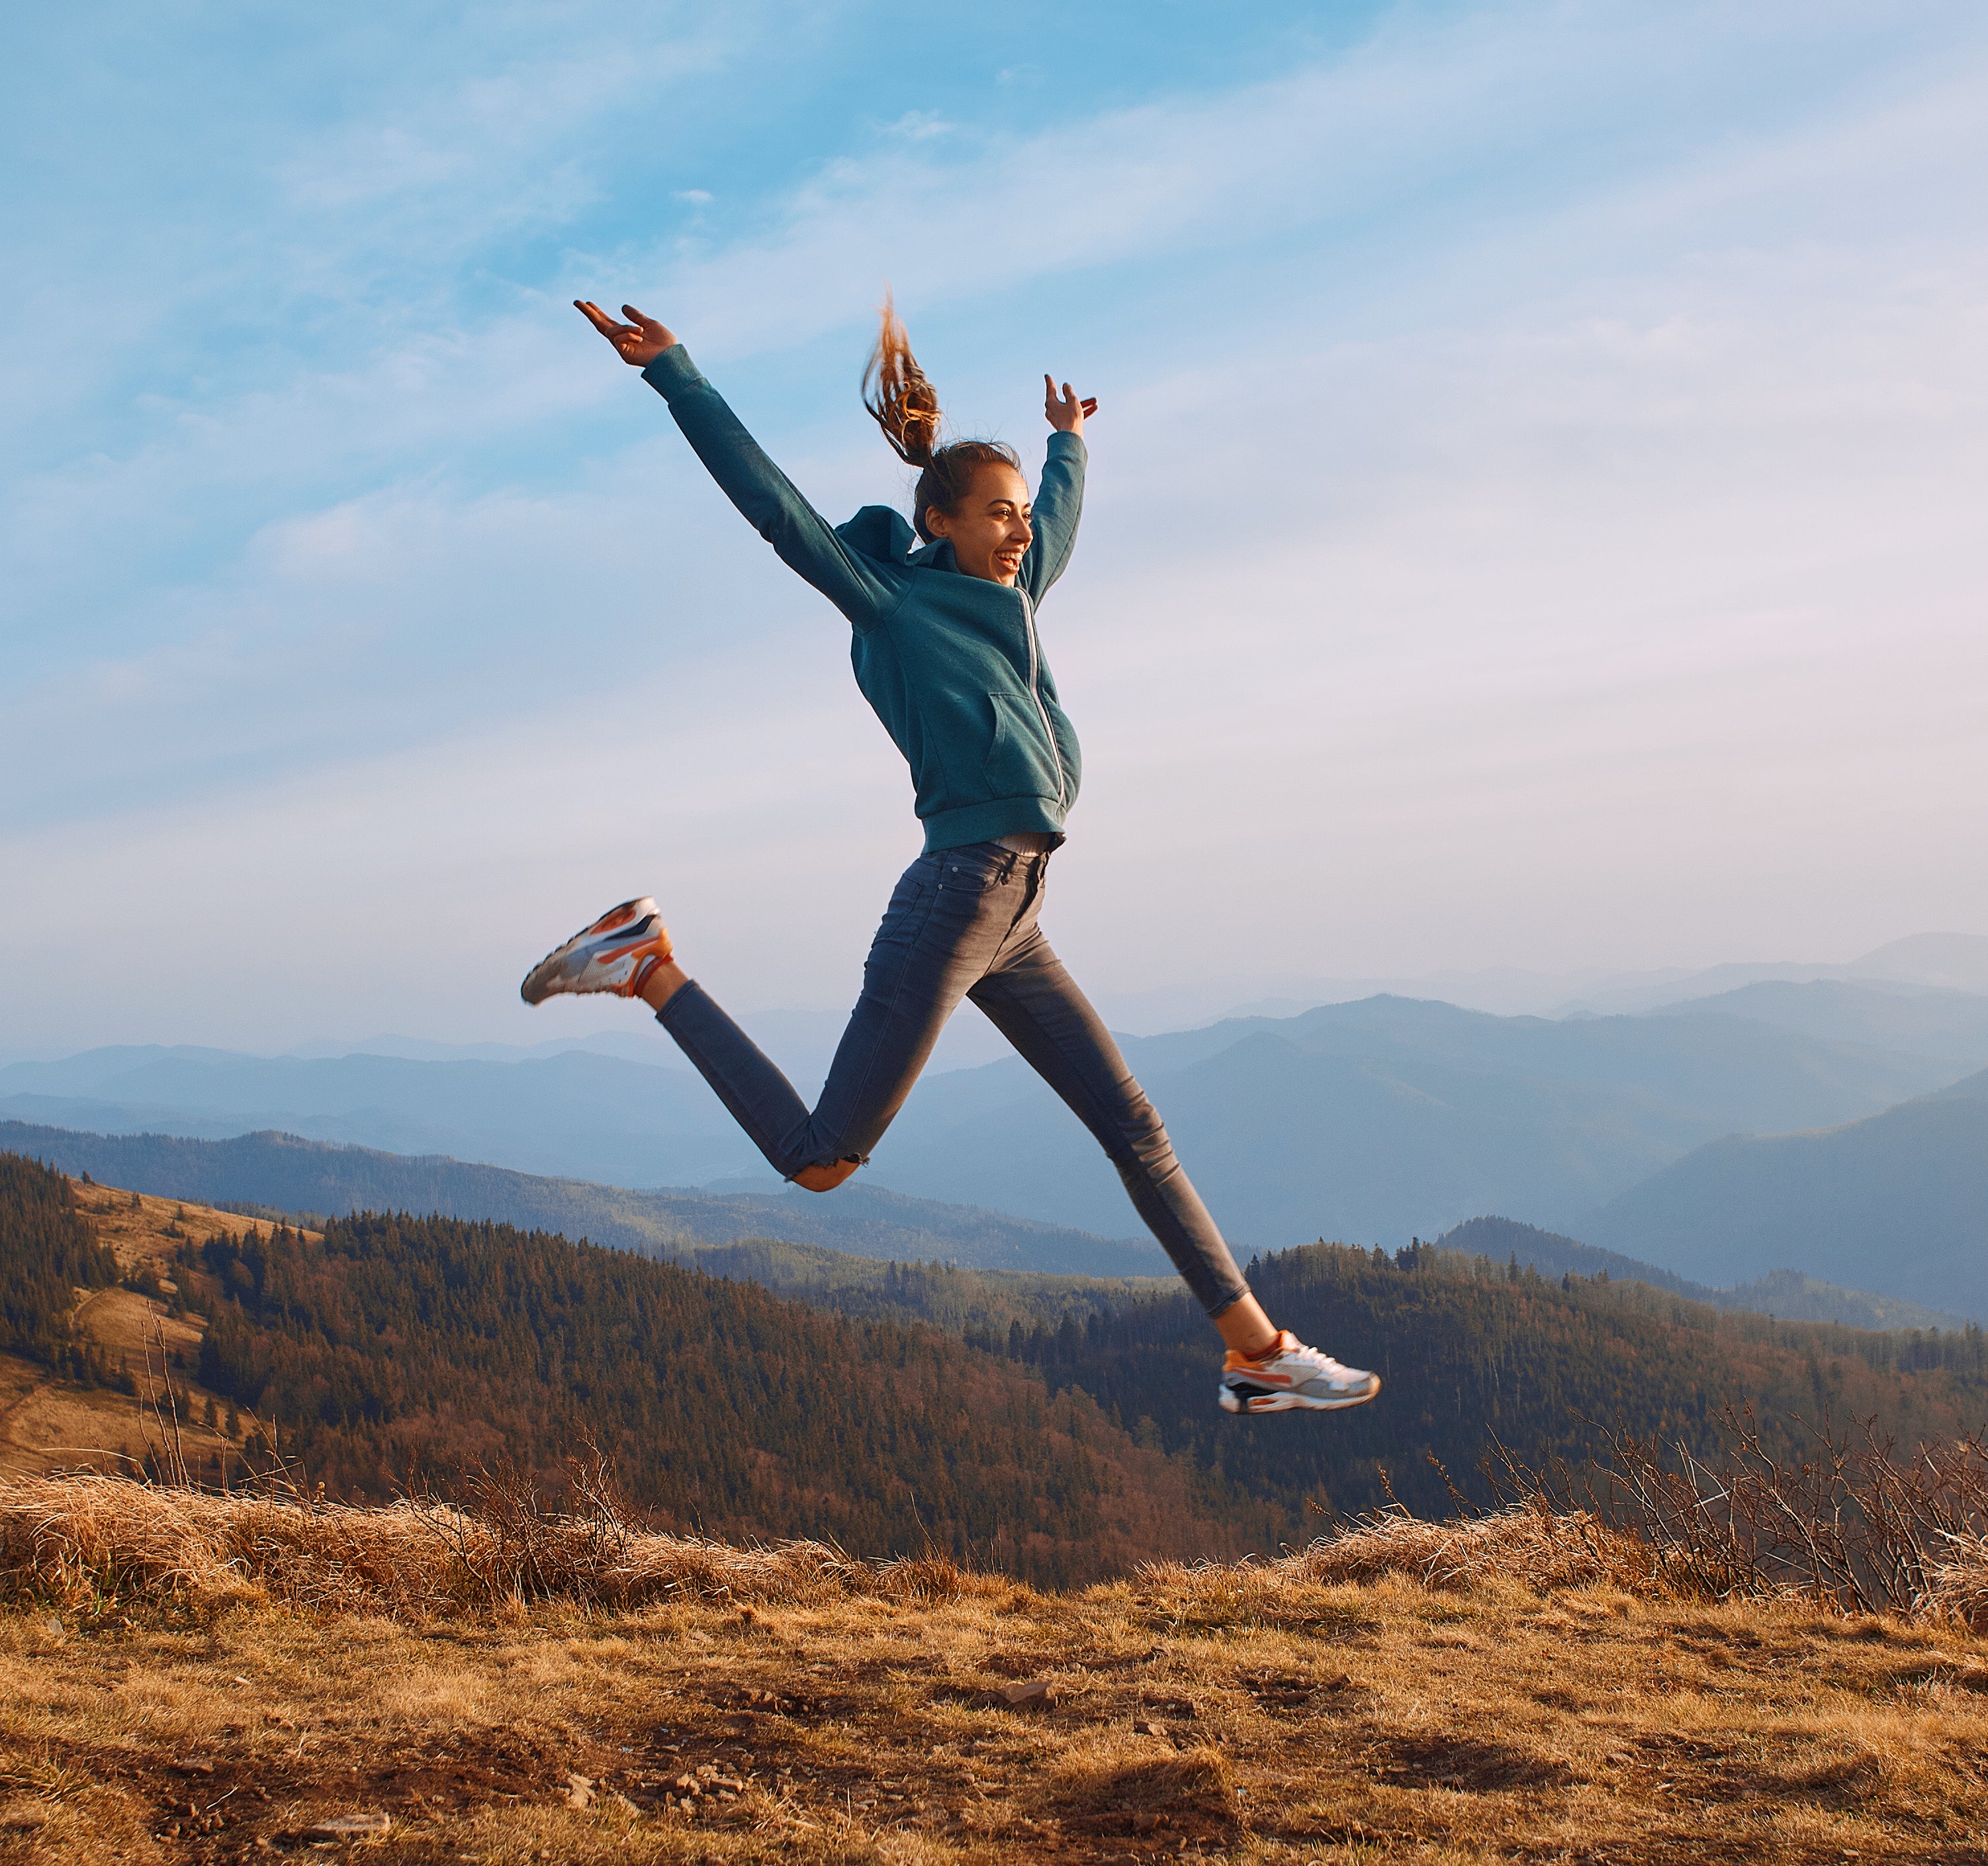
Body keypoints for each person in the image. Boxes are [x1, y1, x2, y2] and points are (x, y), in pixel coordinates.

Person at [520, 295, 1381, 1418]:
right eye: (996, 515)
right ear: (940, 521)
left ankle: (1257, 1352)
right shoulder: (893, 600)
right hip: (962, 890)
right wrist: (677, 373)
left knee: (1136, 1128)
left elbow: (1058, 526)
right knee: (822, 1161)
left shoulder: (1010, 597)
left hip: (1014, 905)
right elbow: (772, 504)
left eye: (1020, 516)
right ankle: (648, 966)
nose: (1019, 532)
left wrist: (1068, 442)